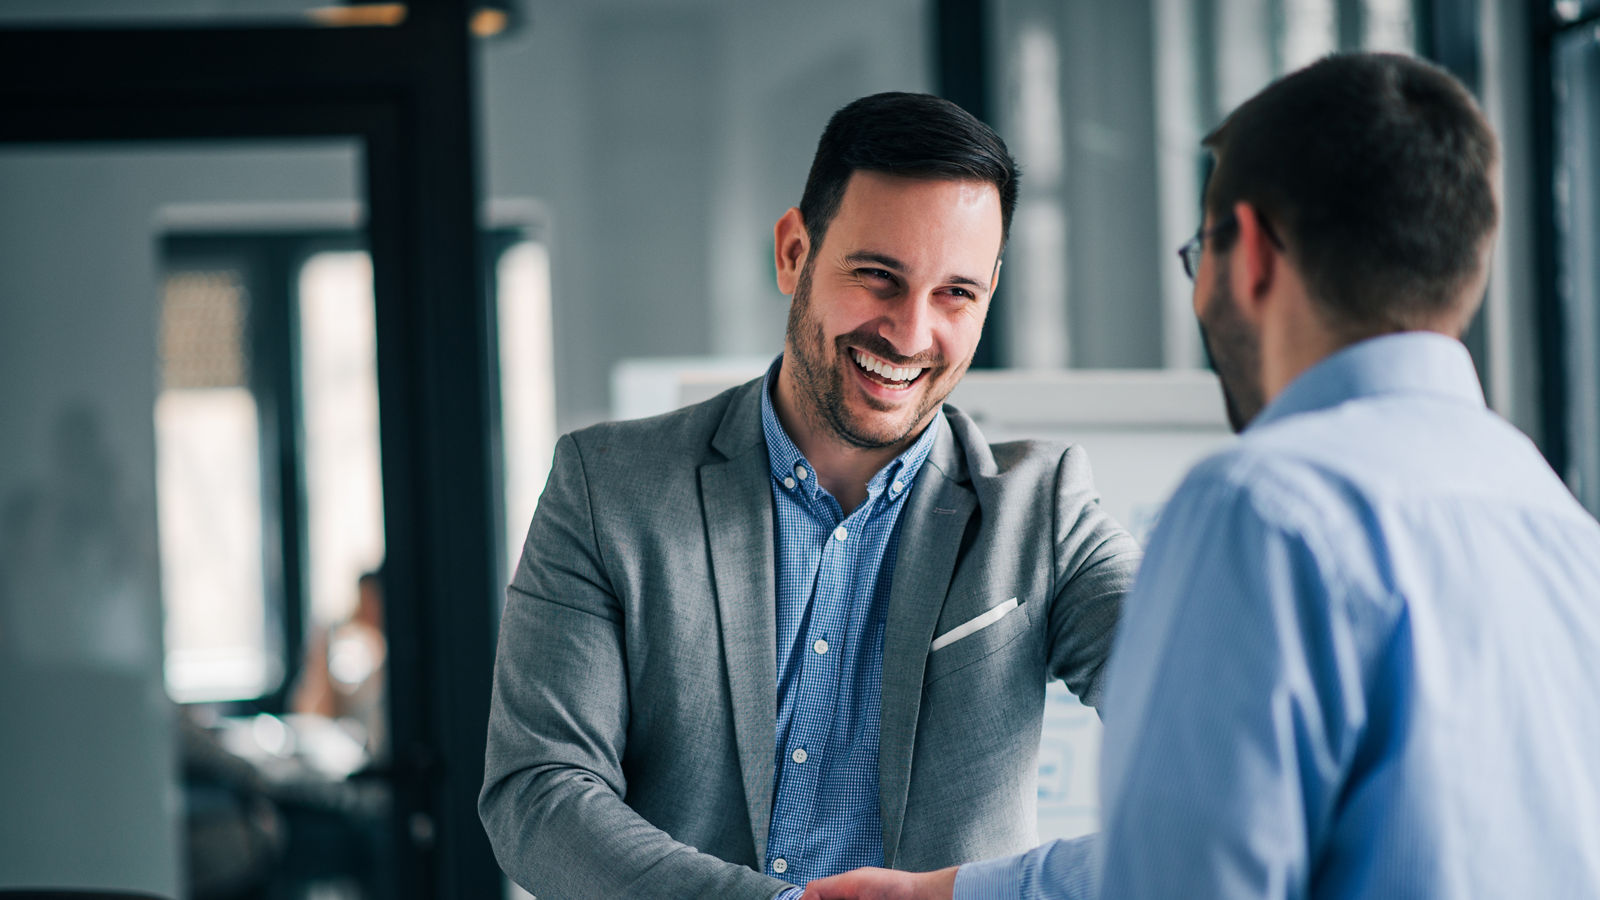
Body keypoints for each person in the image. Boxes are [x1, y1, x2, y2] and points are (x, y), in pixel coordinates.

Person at [802, 53, 1600, 900]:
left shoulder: (1263, 508)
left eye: (1198, 254)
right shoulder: (1565, 532)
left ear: (1249, 253)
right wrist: (952, 893)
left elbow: (1186, 877)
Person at [478, 92, 1142, 900]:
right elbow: (539, 794)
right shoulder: (608, 488)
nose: (910, 333)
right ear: (795, 251)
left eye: (955, 294)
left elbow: (1224, 747)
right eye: (878, 276)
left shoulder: (1045, 513)